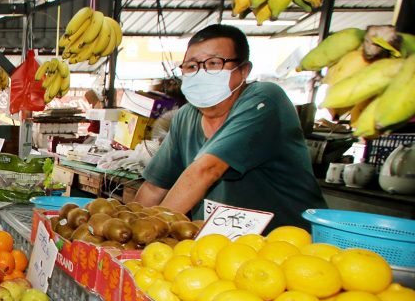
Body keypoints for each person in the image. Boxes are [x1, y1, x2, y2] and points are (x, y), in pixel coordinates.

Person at [136, 24, 326, 229]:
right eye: (191, 67)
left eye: (214, 63)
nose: (201, 74)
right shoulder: (185, 117)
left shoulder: (264, 100)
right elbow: (154, 188)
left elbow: (207, 169)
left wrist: (151, 229)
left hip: (286, 248)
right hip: (220, 250)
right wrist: (125, 230)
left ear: (244, 70)